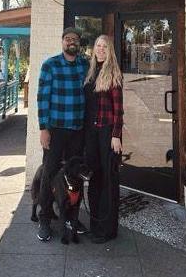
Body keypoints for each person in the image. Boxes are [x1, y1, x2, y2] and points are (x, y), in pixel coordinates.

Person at [36, 27, 90, 241]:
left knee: (75, 177)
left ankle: (72, 219)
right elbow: (42, 98)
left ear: (79, 43)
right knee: (49, 174)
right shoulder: (50, 65)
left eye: (75, 39)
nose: (71, 42)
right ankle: (45, 218)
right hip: (55, 131)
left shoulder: (85, 65)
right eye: (68, 39)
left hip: (78, 130)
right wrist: (44, 129)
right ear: (62, 42)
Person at [84, 34, 124, 243]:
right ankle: (96, 225)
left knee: (109, 181)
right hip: (91, 133)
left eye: (104, 46)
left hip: (107, 133)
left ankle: (108, 230)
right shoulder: (91, 72)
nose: (100, 49)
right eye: (98, 45)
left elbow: (119, 109)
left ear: (110, 51)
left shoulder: (114, 73)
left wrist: (116, 135)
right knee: (95, 179)